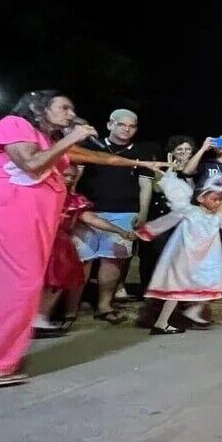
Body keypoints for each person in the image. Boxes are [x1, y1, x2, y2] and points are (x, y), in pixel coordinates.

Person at [0, 91, 165, 388]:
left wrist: (141, 164)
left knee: (11, 291)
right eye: (64, 107)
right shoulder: (14, 125)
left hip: (32, 226)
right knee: (14, 289)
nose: (70, 113)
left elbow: (97, 156)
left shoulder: (47, 142)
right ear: (39, 108)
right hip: (8, 218)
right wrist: (72, 136)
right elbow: (31, 164)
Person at [137, 173, 222, 334]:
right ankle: (161, 323)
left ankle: (192, 311)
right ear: (202, 198)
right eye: (214, 199)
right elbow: (166, 221)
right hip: (184, 258)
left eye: (219, 199)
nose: (217, 202)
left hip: (205, 260)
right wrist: (144, 232)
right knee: (176, 291)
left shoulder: (218, 218)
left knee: (209, 284)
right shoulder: (189, 211)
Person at [74, 108, 159, 323]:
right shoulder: (89, 146)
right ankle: (70, 307)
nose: (127, 129)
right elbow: (75, 176)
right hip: (88, 211)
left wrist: (142, 214)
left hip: (124, 213)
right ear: (111, 124)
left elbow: (145, 186)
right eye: (122, 124)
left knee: (113, 262)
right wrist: (70, 205)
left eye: (132, 126)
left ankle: (104, 306)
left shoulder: (142, 152)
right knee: (81, 260)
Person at [35, 163, 137, 335]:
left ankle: (41, 318)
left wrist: (121, 231)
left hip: (60, 243)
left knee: (57, 279)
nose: (68, 180)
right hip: (38, 241)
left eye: (72, 177)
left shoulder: (73, 200)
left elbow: (91, 219)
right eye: (65, 175)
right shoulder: (39, 194)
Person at [139, 135, 196, 291]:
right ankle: (150, 289)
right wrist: (170, 168)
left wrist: (187, 173)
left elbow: (192, 193)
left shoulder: (195, 169)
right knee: (155, 253)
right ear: (172, 152)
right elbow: (158, 188)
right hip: (161, 216)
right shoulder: (162, 167)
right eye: (180, 149)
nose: (184, 153)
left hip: (183, 220)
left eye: (188, 149)